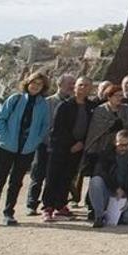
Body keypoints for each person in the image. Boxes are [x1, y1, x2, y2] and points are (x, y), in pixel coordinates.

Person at [0, 72, 53, 227]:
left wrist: (35, 141)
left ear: (43, 87)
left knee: (16, 182)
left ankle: (8, 213)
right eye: (33, 82)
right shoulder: (15, 99)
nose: (35, 86)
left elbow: (45, 126)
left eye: (39, 84)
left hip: (26, 149)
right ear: (27, 83)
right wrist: (4, 138)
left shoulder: (43, 104)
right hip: (6, 146)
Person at [42, 76, 94, 221]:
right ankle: (48, 207)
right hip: (60, 148)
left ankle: (60, 205)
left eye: (87, 86)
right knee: (53, 177)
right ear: (75, 88)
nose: (83, 88)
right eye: (81, 85)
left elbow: (91, 128)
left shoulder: (90, 107)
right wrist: (71, 144)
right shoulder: (64, 106)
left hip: (78, 149)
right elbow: (58, 128)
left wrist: (81, 143)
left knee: (67, 178)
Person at [83, 83, 128, 216]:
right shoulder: (100, 110)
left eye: (121, 95)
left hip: (121, 147)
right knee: (98, 176)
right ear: (109, 97)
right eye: (116, 96)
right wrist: (112, 125)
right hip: (101, 148)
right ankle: (94, 207)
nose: (120, 98)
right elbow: (96, 130)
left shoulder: (126, 108)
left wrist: (121, 124)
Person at [25, 73, 73, 216]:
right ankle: (32, 204)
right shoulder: (47, 102)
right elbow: (42, 125)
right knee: (38, 175)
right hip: (45, 144)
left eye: (73, 84)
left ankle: (56, 203)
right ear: (60, 85)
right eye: (69, 83)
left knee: (57, 177)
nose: (71, 86)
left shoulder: (72, 104)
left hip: (61, 147)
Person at [88, 129, 128, 228]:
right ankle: (99, 216)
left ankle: (113, 216)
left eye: (127, 145)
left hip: (126, 194)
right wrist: (116, 188)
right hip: (109, 190)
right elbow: (100, 172)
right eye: (121, 145)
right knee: (95, 181)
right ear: (115, 143)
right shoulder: (106, 154)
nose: (124, 148)